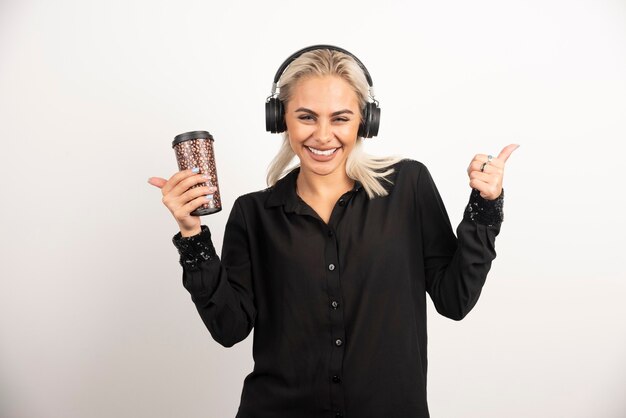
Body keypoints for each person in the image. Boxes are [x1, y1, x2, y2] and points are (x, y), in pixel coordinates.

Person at [148, 45, 518, 418]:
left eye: (340, 118)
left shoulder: (409, 186)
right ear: (280, 119)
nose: (323, 136)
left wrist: (485, 207)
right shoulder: (254, 213)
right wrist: (192, 235)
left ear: (365, 121)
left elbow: (454, 300)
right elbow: (228, 328)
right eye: (306, 117)